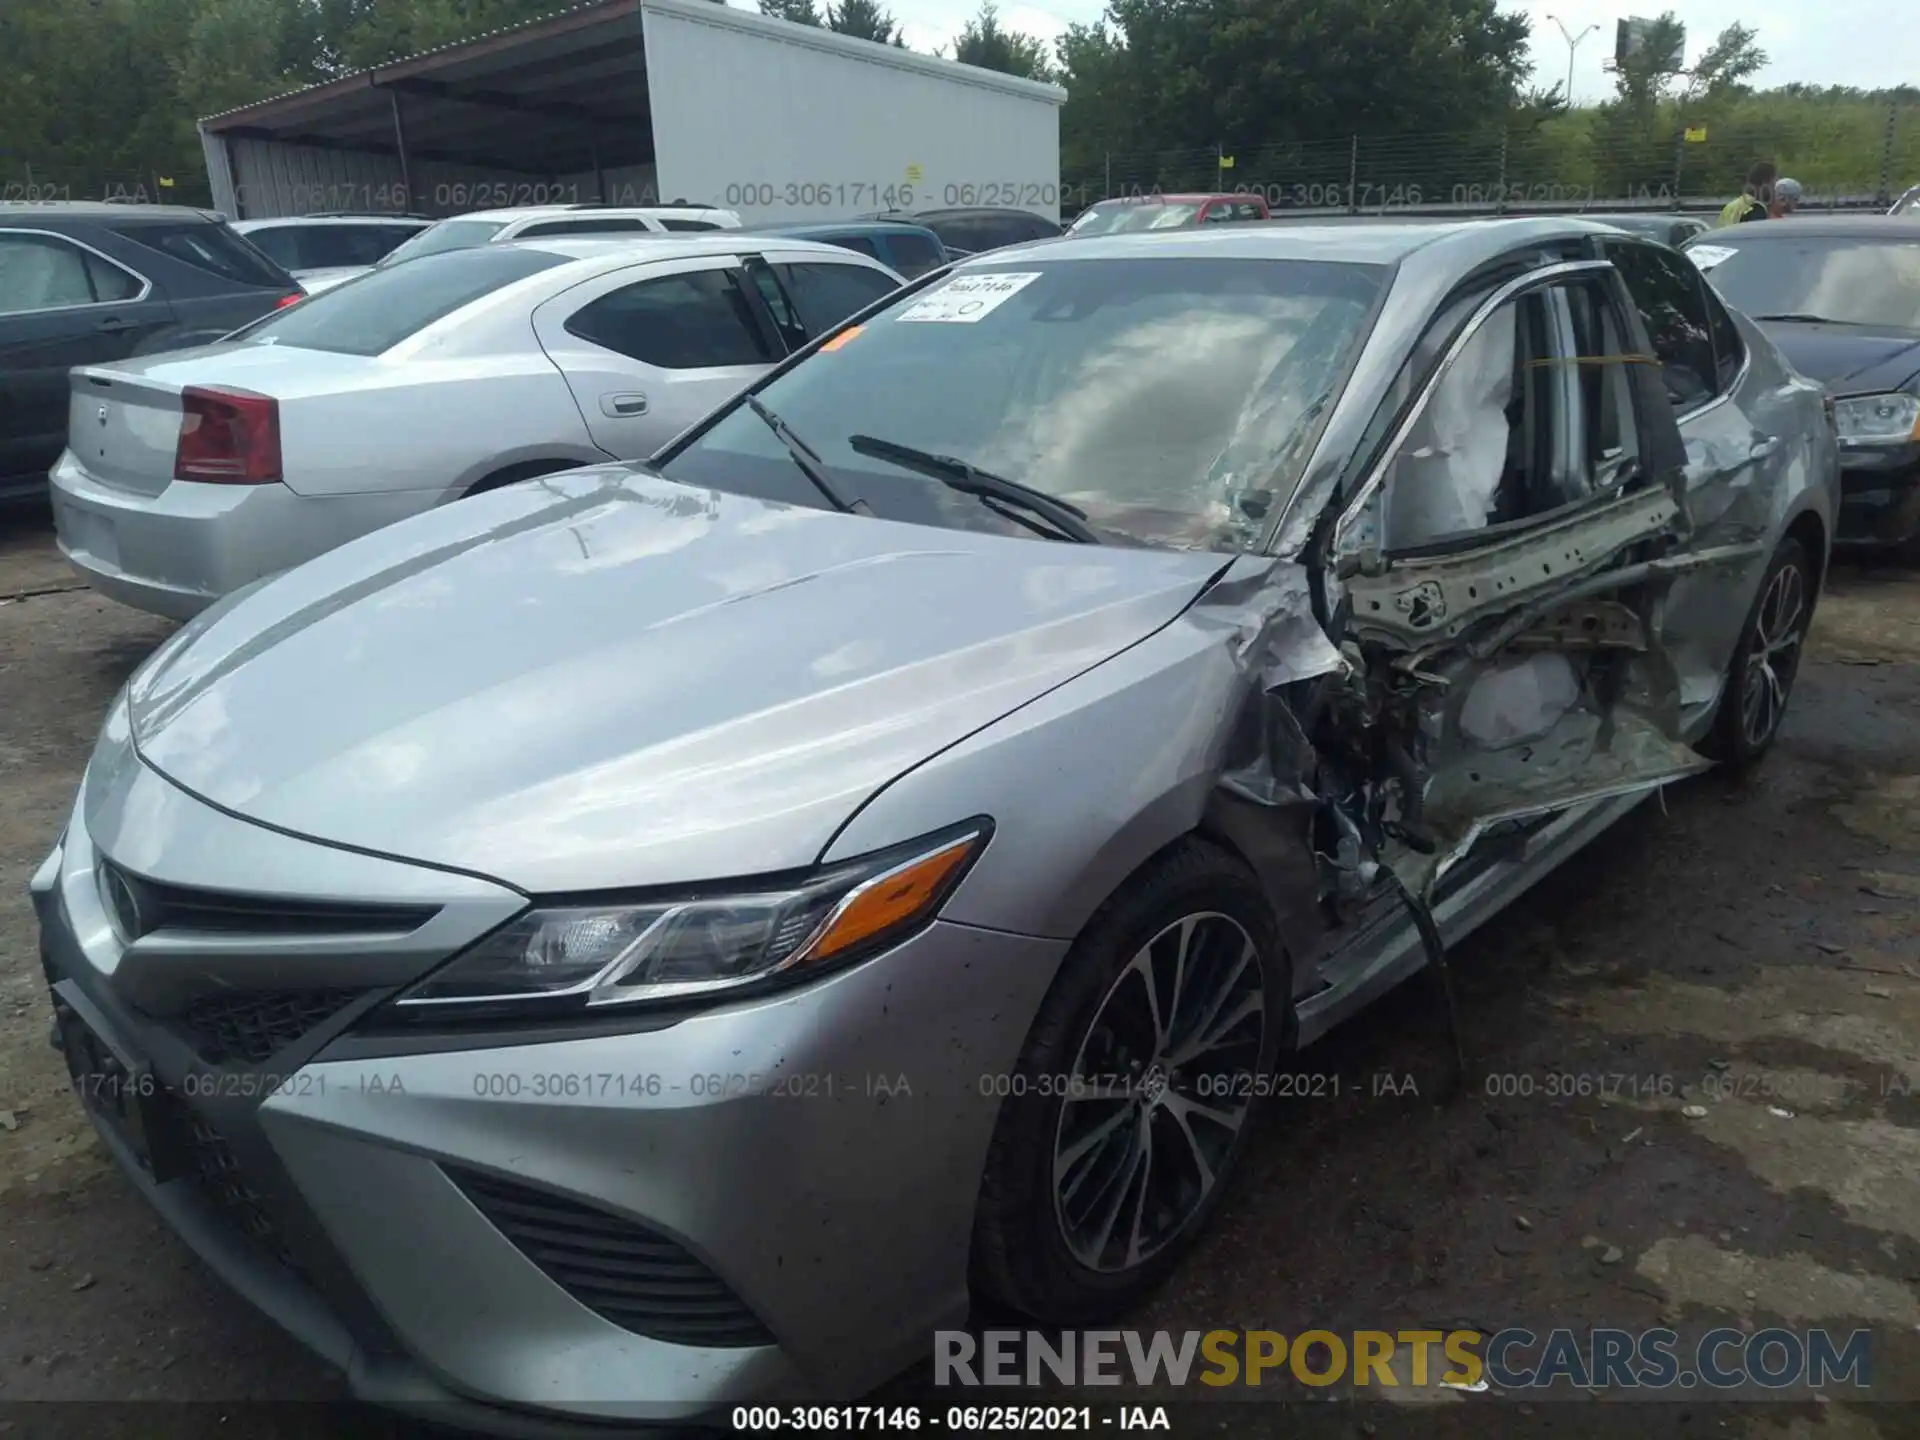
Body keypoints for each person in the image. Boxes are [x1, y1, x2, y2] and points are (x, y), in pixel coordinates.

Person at [1718, 161, 1778, 226]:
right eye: (1773, 183)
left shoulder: (1732, 206)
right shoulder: (1756, 208)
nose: (1774, 189)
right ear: (1765, 183)